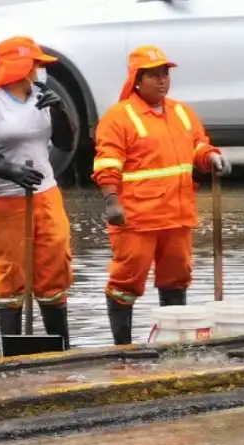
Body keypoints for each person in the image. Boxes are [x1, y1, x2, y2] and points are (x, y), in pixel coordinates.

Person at [91, 45, 231, 344]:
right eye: (153, 75)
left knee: (176, 278)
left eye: (165, 73)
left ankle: (173, 343)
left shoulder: (181, 112)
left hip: (177, 217)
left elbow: (197, 146)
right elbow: (107, 161)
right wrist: (111, 199)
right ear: (137, 79)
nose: (162, 80)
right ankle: (122, 347)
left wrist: (211, 157)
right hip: (137, 220)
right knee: (125, 282)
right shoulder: (119, 117)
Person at [0, 37, 72, 345]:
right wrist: (11, 170)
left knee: (55, 263)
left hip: (45, 193)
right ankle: (14, 348)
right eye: (35, 65)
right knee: (11, 274)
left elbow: (64, 144)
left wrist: (60, 112)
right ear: (22, 67)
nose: (38, 71)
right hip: (5, 198)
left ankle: (59, 347)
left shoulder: (42, 96)